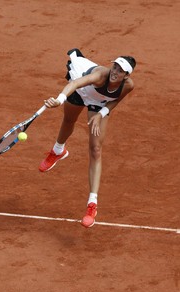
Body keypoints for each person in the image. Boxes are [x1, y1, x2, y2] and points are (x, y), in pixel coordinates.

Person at [39, 48, 136, 228]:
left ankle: (92, 204)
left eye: (120, 71)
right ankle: (58, 151)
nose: (115, 72)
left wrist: (101, 114)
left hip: (98, 103)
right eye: (115, 67)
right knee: (69, 120)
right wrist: (59, 100)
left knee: (96, 149)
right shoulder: (100, 75)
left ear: (126, 76)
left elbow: (115, 100)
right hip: (81, 90)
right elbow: (75, 84)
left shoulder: (128, 85)